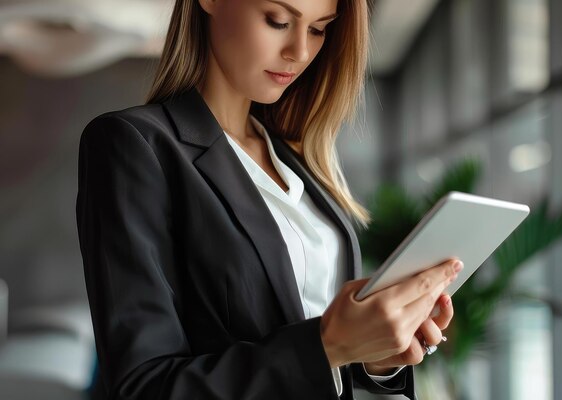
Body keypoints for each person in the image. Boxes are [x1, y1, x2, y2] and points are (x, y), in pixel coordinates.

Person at [76, 0, 464, 399]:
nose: (299, 52)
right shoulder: (135, 144)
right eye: (278, 21)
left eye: (318, 30)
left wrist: (376, 357)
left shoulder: (297, 162)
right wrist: (328, 344)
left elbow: (321, 354)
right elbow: (143, 387)